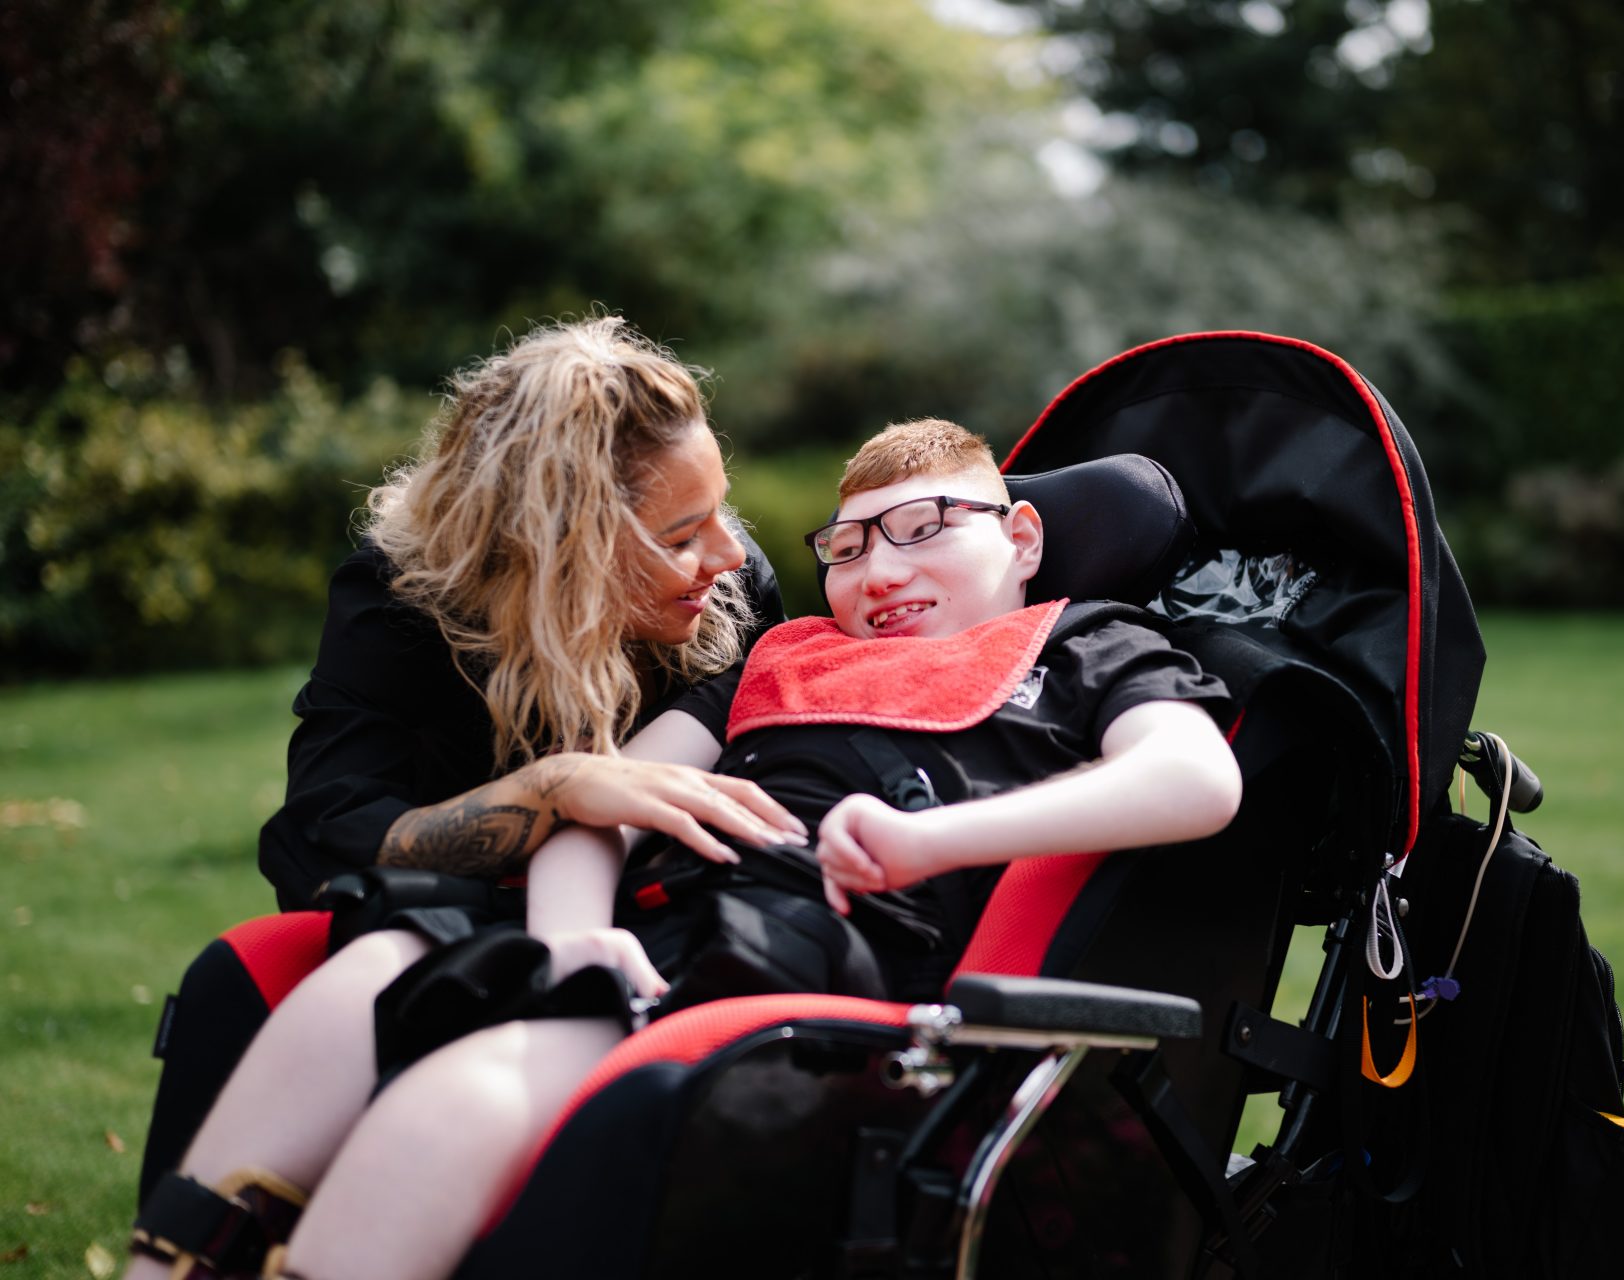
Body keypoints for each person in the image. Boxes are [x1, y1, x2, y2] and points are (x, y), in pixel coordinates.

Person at [132, 418, 1242, 1280]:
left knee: (467, 1086)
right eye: (847, 546)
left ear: (1022, 536)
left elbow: (1197, 778)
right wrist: (574, 941)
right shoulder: (781, 654)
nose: (878, 569)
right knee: (368, 971)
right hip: (639, 908)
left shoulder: (1084, 642)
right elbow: (607, 800)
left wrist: (925, 839)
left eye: (924, 526)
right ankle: (178, 1251)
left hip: (812, 926)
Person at [128, 316, 805, 1280]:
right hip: (448, 922)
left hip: (657, 921)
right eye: (681, 534)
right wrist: (549, 790)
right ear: (555, 539)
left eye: (722, 513)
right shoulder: (401, 604)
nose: (732, 558)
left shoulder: (730, 606)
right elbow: (323, 839)